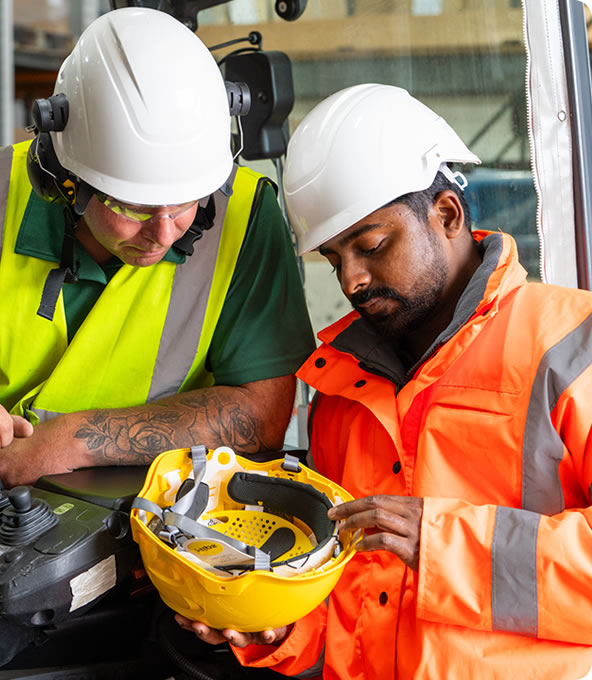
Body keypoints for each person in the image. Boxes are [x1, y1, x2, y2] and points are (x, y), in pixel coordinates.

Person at [0, 7, 314, 679]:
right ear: (63, 176)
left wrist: (68, 441)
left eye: (187, 203)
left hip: (136, 529)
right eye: (131, 206)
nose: (164, 233)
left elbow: (265, 409)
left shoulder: (245, 217)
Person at [176, 83, 592, 679]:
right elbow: (345, 606)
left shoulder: (570, 346)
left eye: (370, 246)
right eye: (334, 258)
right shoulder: (337, 385)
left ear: (445, 214)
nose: (352, 280)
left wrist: (444, 547)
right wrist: (271, 625)